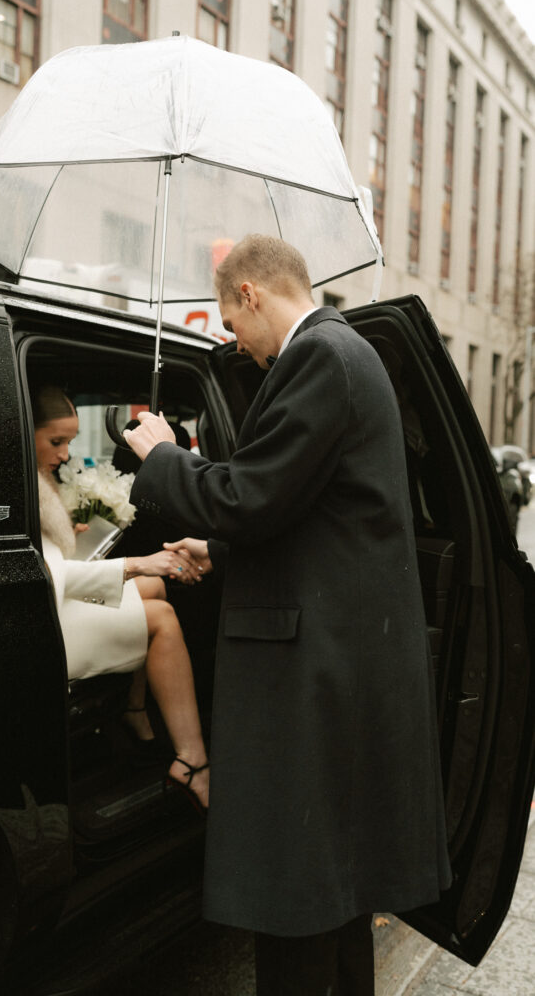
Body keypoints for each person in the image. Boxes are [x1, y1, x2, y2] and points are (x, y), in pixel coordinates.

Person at [123, 235, 451, 995]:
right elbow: (308, 513)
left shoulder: (318, 357)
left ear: (249, 294)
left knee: (296, 892)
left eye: (235, 331)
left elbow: (253, 493)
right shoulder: (342, 354)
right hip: (334, 659)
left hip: (314, 671)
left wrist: (165, 457)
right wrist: (219, 547)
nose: (243, 350)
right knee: (328, 887)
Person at [33, 385, 209, 810]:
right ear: (29, 431)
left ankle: (135, 706)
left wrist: (71, 534)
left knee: (156, 589)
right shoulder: (26, 480)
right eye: (56, 441)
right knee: (162, 616)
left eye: (70, 442)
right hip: (49, 622)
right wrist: (140, 563)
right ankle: (193, 760)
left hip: (52, 602)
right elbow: (53, 579)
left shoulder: (34, 477)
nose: (65, 454)